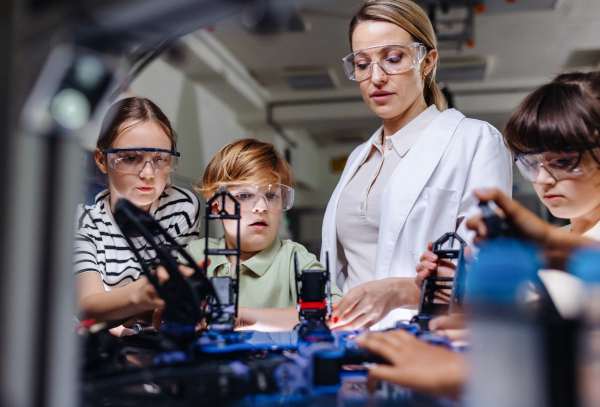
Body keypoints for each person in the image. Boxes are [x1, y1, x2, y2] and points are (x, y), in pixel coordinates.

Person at [324, 0, 512, 330]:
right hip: (347, 345)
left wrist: (400, 291)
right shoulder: (358, 157)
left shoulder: (474, 140)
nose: (376, 77)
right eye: (363, 64)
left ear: (427, 61)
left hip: (424, 342)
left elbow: (488, 273)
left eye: (393, 58)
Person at [417, 72, 600, 316]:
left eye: (564, 161)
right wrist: (458, 289)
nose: (543, 179)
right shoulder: (550, 243)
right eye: (531, 163)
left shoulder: (556, 246)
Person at [182, 139, 343, 331]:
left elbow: (338, 314)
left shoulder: (294, 258)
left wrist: (243, 318)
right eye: (244, 195)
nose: (261, 207)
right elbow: (162, 314)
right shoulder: (196, 255)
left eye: (271, 196)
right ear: (217, 208)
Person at [74, 97, 202, 330]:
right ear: (102, 160)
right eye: (131, 158)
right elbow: (87, 307)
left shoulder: (181, 206)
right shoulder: (84, 221)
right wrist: (145, 294)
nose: (148, 173)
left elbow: (174, 304)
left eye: (160, 159)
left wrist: (117, 311)